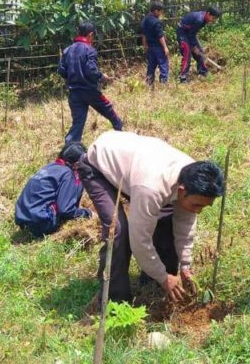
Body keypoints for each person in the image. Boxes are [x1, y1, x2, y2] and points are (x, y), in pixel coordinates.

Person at [77, 130, 224, 309]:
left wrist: (185, 265)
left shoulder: (196, 177)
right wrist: (163, 277)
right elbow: (139, 241)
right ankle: (115, 301)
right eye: (196, 205)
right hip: (99, 164)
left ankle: (152, 284)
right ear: (182, 190)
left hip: (136, 167)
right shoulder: (151, 189)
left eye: (203, 207)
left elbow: (184, 223)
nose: (198, 211)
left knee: (166, 222)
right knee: (118, 232)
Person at [58, 21, 123, 144]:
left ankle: (70, 149)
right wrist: (102, 76)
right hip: (90, 91)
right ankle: (120, 131)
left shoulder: (67, 50)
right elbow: (91, 71)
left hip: (74, 93)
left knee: (78, 123)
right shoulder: (89, 50)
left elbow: (62, 71)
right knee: (108, 110)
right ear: (91, 35)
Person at [15, 142, 93, 238]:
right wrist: (86, 213)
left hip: (23, 218)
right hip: (42, 223)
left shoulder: (49, 166)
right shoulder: (68, 174)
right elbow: (65, 210)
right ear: (76, 164)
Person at [176, 6, 221, 83]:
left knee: (200, 52)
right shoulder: (199, 20)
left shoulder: (205, 18)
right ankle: (182, 77)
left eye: (215, 19)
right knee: (187, 54)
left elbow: (192, 33)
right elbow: (190, 35)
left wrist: (196, 47)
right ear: (208, 14)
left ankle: (202, 72)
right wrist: (193, 47)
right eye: (213, 18)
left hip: (190, 33)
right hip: (182, 32)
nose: (213, 21)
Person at [141, 1, 171, 86]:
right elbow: (160, 36)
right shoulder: (156, 22)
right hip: (158, 47)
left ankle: (149, 83)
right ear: (156, 11)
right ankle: (163, 84)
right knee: (163, 65)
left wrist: (145, 45)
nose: (161, 13)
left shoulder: (145, 20)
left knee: (151, 66)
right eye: (161, 11)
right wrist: (165, 47)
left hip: (150, 47)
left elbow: (143, 34)